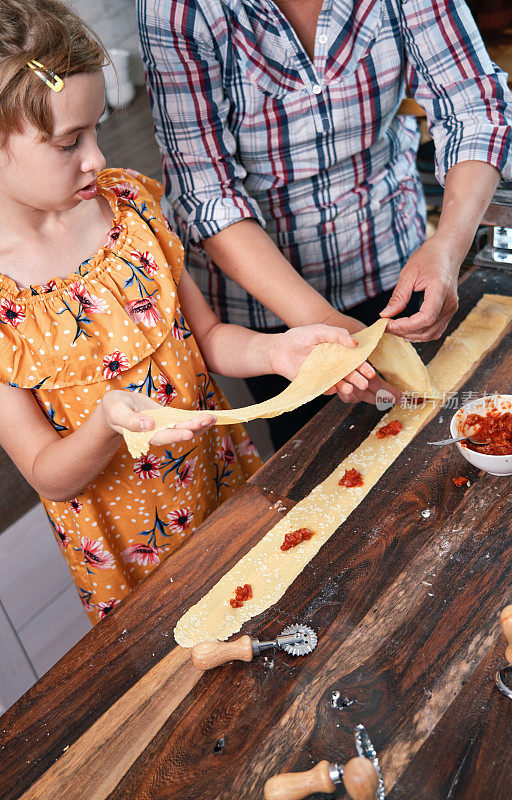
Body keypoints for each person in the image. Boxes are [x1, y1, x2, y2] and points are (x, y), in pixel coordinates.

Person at [0, 0, 375, 624]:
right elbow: (48, 474)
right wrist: (107, 422)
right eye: (70, 142)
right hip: (131, 565)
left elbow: (207, 336)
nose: (95, 157)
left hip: (224, 490)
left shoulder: (129, 207)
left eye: (96, 130)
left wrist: (275, 350)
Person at [138, 0, 512, 448]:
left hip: (395, 258)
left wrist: (449, 244)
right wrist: (319, 320)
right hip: (269, 299)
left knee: (424, 437)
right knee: (316, 453)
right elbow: (207, 194)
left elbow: (474, 107)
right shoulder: (178, 8)